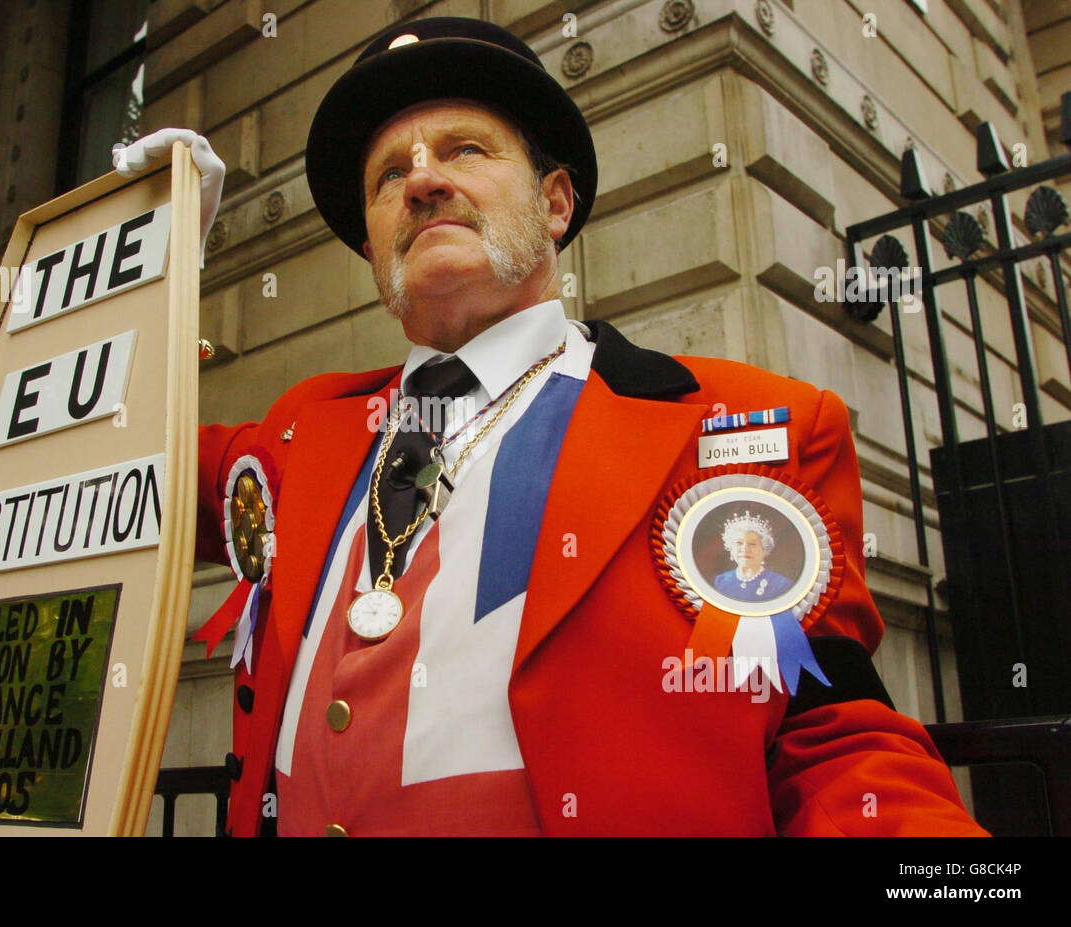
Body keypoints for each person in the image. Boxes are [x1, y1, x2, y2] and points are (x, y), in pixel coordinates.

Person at [116, 17, 987, 836]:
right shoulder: (297, 434)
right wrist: (129, 276)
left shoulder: (746, 425)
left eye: (465, 149)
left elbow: (831, 737)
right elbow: (98, 470)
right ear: (376, 244)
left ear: (557, 202)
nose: (421, 180)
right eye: (389, 177)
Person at [714, 511, 794, 602]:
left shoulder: (780, 584)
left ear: (764, 550)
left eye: (752, 544)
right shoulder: (721, 581)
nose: (745, 549)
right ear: (731, 548)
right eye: (739, 543)